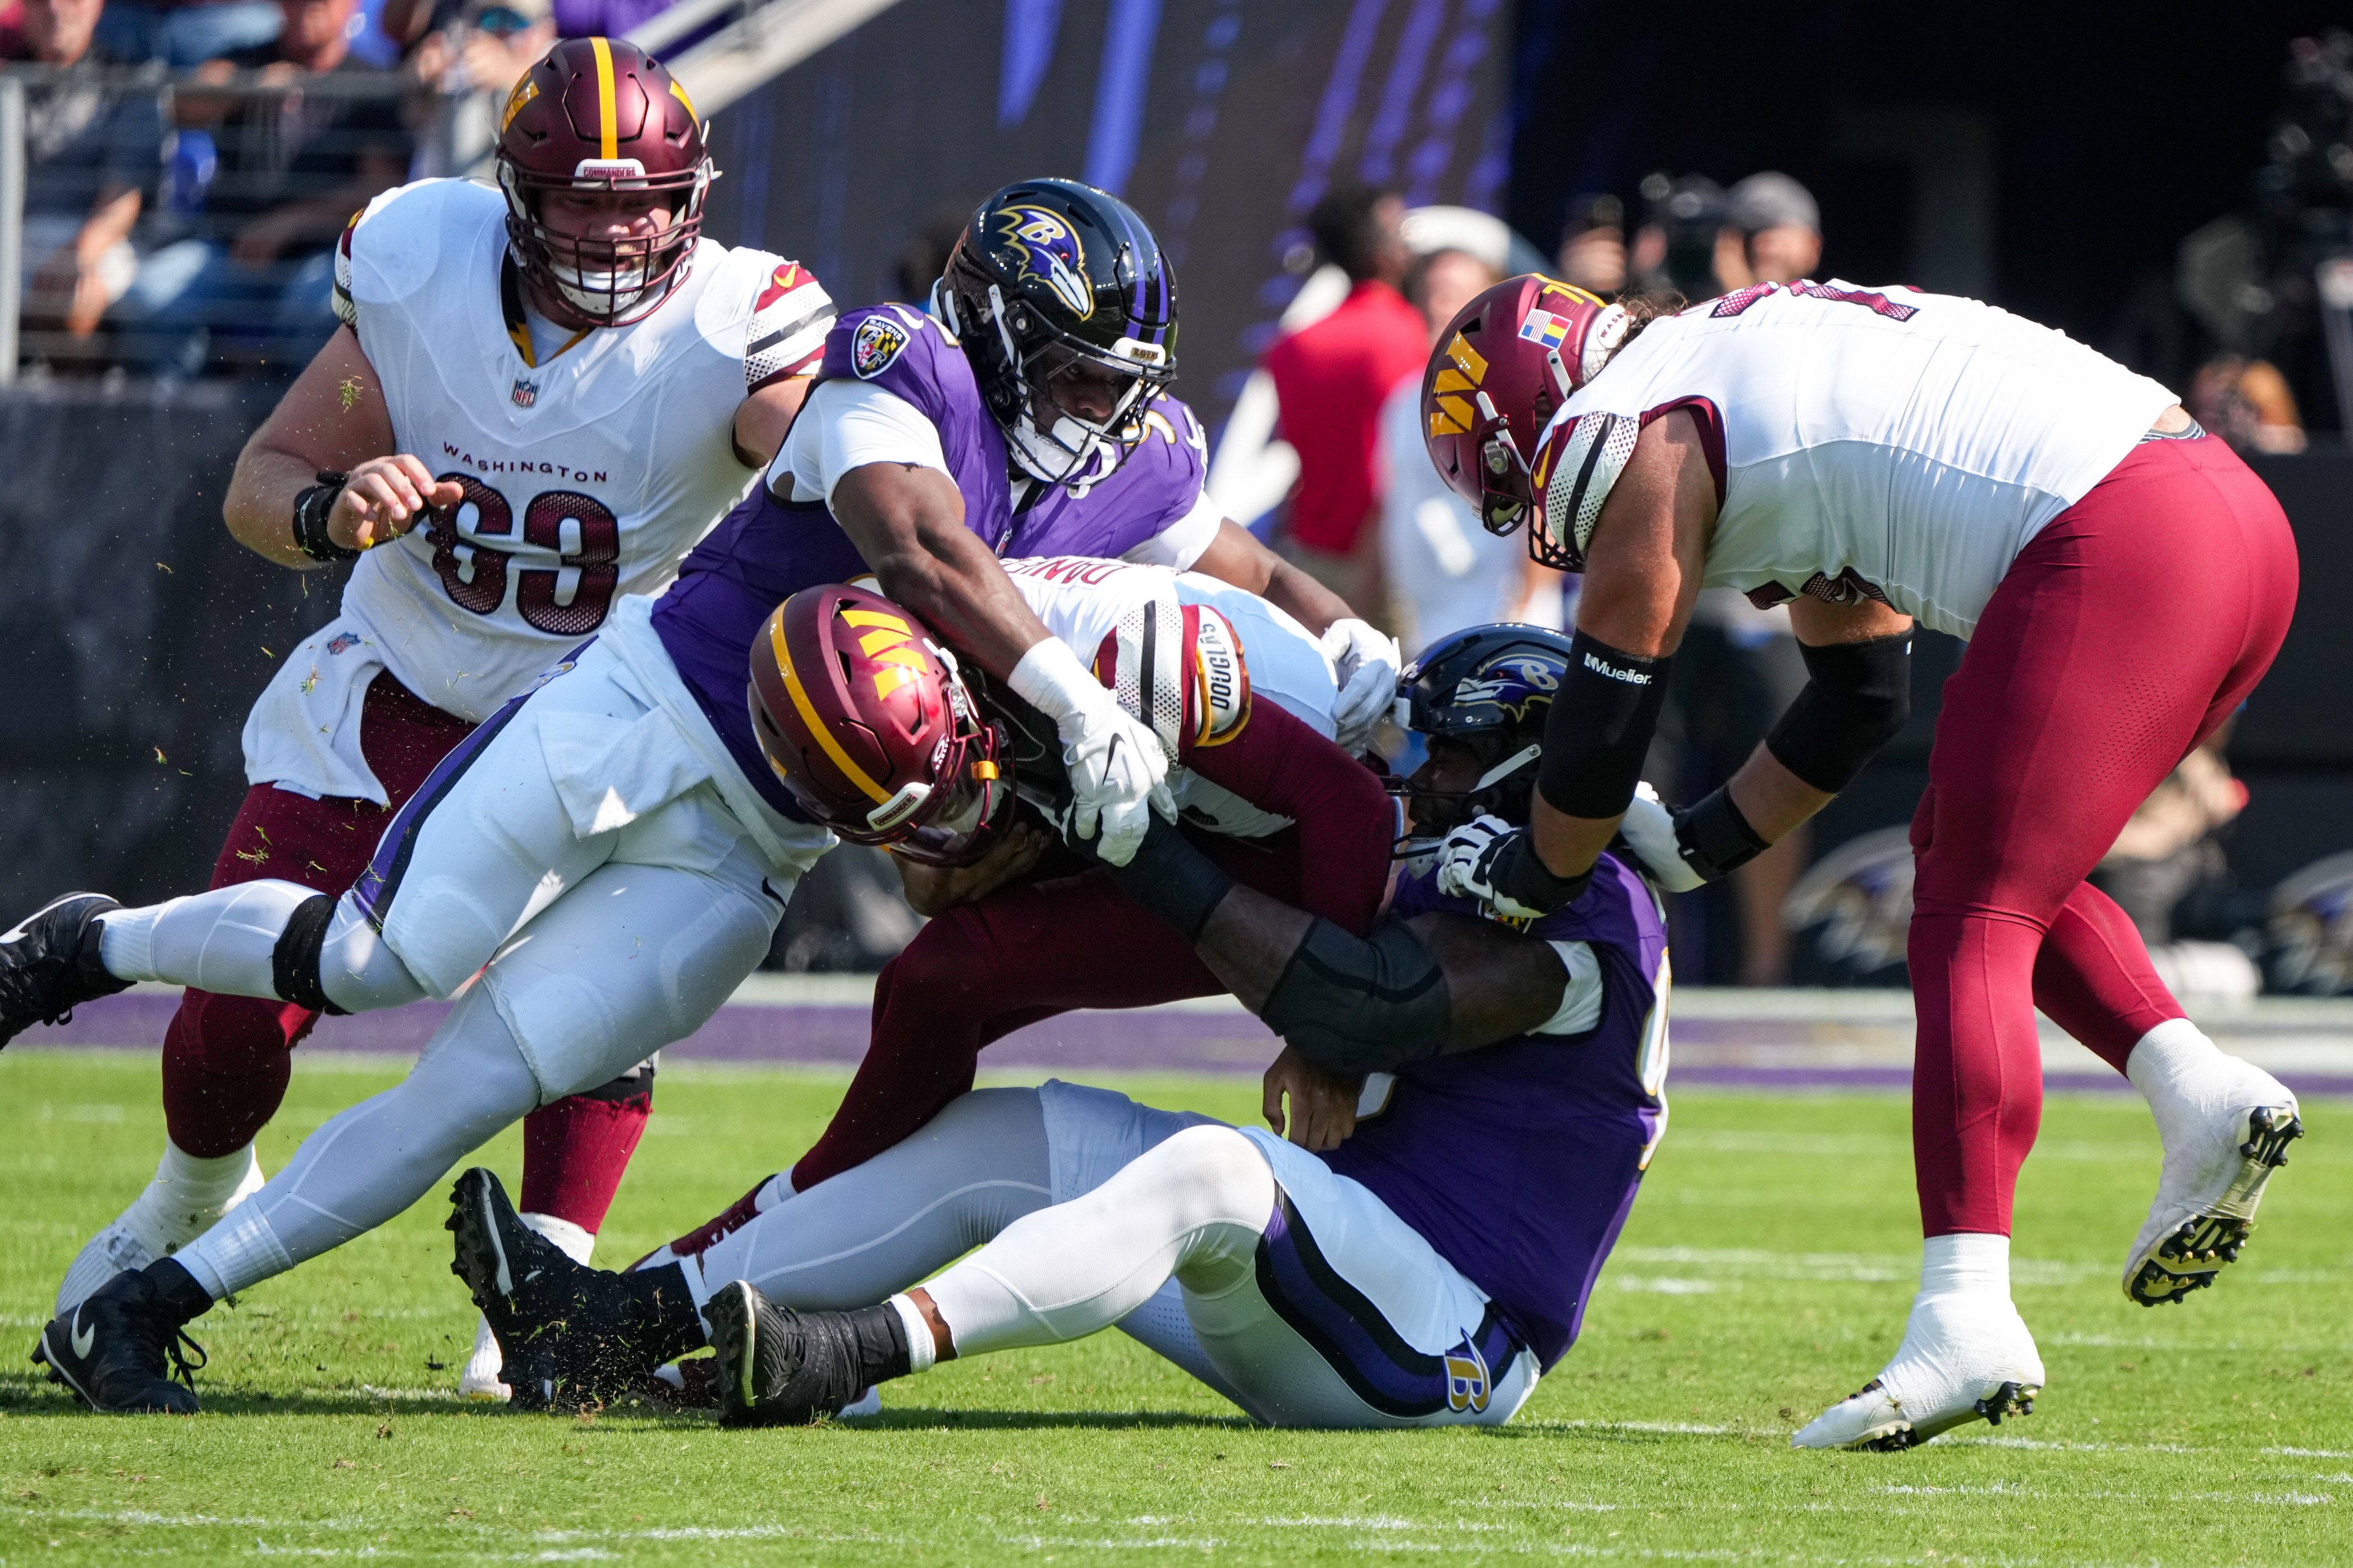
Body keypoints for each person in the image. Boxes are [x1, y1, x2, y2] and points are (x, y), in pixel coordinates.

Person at [6, 178, 1393, 1415]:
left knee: (464, 1092)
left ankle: (143, 1307)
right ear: (997, 332)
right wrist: (1075, 703)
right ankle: (89, 942)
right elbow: (916, 546)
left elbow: (1257, 571)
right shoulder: (903, 361)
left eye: (1120, 384)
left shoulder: (1132, 455)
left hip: (755, 847)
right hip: (642, 711)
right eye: (1080, 378)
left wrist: (1355, 648)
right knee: (379, 957)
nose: (1104, 414)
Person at [10, 35, 834, 1401]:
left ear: (691, 198)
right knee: (237, 1020)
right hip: (399, 689)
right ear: (515, 194)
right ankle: (188, 1189)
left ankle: (551, 1273)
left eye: (645, 202)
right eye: (578, 202)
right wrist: (331, 510)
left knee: (598, 1006)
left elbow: (823, 460)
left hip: (595, 721)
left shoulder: (734, 327)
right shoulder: (420, 263)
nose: (617, 233)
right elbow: (265, 480)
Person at [1419, 273, 2304, 1448]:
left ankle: (1965, 1314)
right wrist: (1695, 845)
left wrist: (1527, 874)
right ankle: (2200, 1094)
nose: (1540, 496)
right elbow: (1855, 695)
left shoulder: (1632, 414)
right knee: (1973, 859)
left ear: (1540, 404)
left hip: (2124, 531)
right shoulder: (1735, 365)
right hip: (2228, 522)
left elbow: (1602, 724)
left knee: (1971, 911)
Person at [446, 620, 1669, 1429]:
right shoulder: (1476, 865)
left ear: (1528, 767)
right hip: (1337, 1281)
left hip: (1448, 1338)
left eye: (1447, 757)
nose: (1418, 777)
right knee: (1008, 1139)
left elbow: (1368, 1003)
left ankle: (846, 1353)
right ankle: (608, 1331)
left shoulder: (1592, 912)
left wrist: (1144, 851)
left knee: (1213, 1169)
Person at [622, 560, 1393, 1282]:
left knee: (945, 975)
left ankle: (768, 1231)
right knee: (923, 987)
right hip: (1175, 794)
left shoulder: (1145, 670)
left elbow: (1352, 809)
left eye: (950, 782)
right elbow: (930, 873)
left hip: (1309, 840)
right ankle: (786, 1237)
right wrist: (939, 830)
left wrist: (1328, 1040)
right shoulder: (899, 642)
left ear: (946, 684)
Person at [114, 0, 411, 374]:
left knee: (322, 313)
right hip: (230, 253)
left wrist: (293, 222)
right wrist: (250, 86)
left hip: (322, 258)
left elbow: (379, 190)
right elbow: (183, 105)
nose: (308, 7)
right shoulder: (250, 61)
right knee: (149, 299)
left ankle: (297, 413)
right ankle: (176, 409)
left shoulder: (368, 82)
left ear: (350, 6)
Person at [1378, 246, 1562, 659]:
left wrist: (1521, 619)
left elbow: (1542, 512)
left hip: (1501, 639)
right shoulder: (1402, 402)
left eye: (1452, 294)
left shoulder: (1512, 401)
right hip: (1425, 637)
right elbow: (1391, 506)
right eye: (1429, 292)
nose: (1436, 305)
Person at [1262, 179, 1425, 627]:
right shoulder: (1408, 338)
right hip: (1386, 574)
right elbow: (1393, 477)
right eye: (1402, 231)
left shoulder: (1290, 348)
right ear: (1383, 252)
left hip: (1308, 564)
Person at [8, 0, 166, 356]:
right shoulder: (8, 78)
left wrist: (79, 254)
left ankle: (74, 389)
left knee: (75, 297)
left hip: (99, 241)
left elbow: (122, 200)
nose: (55, 10)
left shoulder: (128, 82)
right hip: (14, 237)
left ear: (97, 7)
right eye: (40, 1)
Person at [1717, 172, 1822, 293]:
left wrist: (1741, 295)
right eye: (1749, 236)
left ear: (1814, 246)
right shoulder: (1705, 301)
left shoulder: (1835, 302)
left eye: (1779, 237)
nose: (1760, 247)